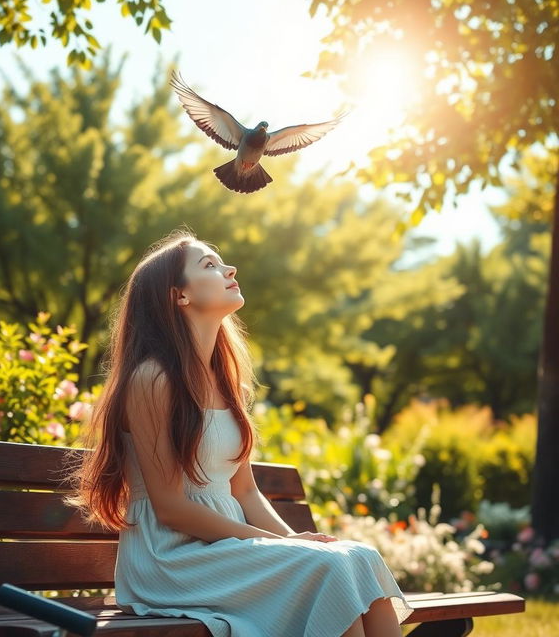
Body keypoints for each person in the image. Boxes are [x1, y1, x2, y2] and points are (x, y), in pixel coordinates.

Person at [64, 228, 413, 637]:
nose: (229, 268)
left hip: (228, 549)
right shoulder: (152, 379)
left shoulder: (228, 382)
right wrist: (279, 545)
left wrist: (292, 538)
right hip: (171, 558)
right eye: (209, 265)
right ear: (180, 295)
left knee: (360, 557)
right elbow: (171, 508)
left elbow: (244, 492)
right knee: (330, 568)